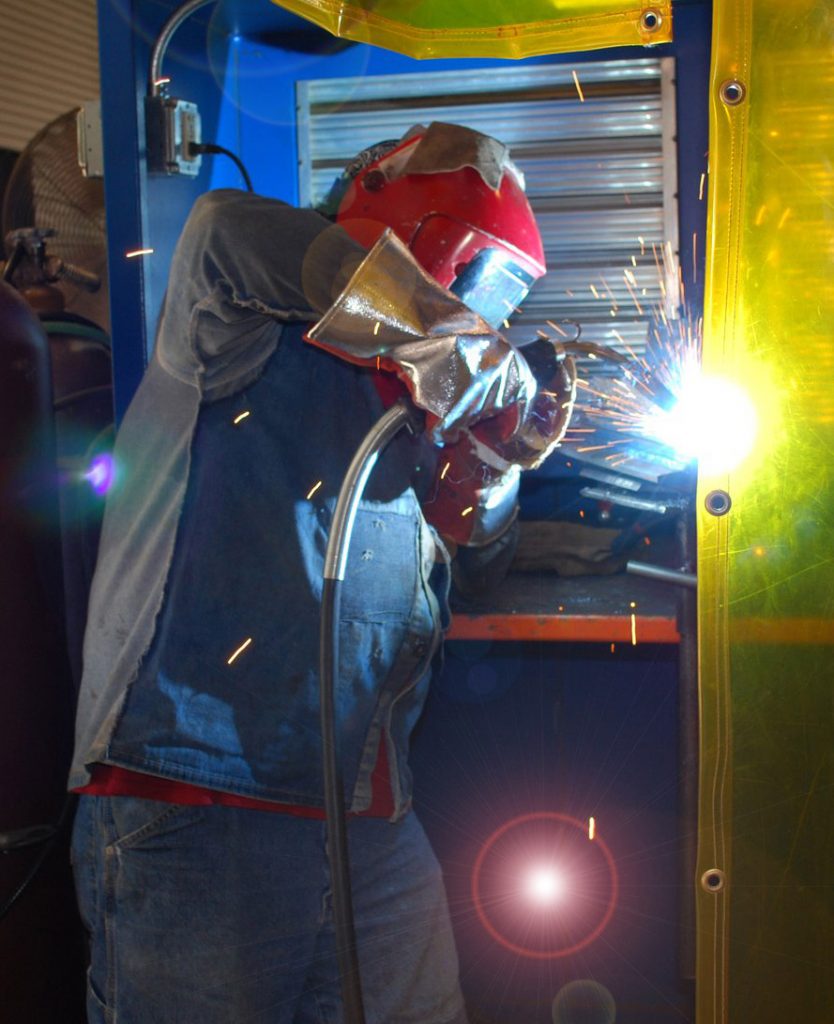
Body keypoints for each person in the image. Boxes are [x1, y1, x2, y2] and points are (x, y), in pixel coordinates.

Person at [69, 122, 575, 1023]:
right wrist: (449, 343)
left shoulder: (425, 400)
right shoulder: (238, 316)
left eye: (504, 292)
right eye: (479, 277)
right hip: (200, 805)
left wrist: (498, 463)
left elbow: (485, 565)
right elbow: (224, 232)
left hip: (366, 815)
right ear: (417, 244)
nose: (485, 310)